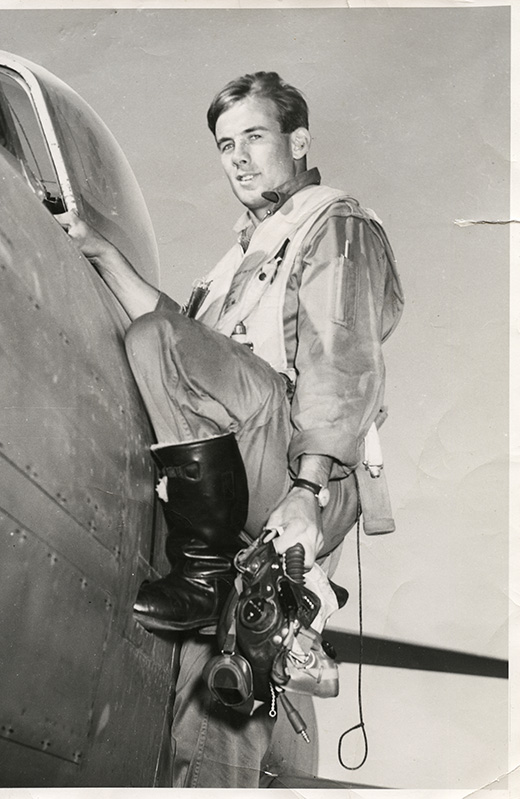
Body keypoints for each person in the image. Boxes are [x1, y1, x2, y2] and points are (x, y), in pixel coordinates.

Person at [57, 71, 403, 787]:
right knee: (209, 691)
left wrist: (307, 491)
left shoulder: (332, 223)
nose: (238, 158)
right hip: (242, 477)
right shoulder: (238, 259)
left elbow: (342, 363)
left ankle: (205, 571)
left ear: (299, 140)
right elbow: (186, 337)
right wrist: (98, 251)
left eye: (254, 137)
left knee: (156, 341)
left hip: (299, 465)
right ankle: (214, 587)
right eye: (224, 145)